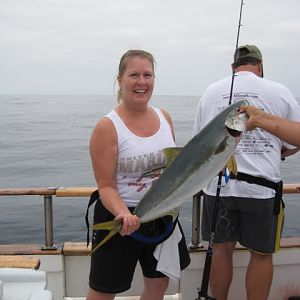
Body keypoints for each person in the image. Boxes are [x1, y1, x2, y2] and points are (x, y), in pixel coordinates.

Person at [193, 44, 300, 300]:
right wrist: (278, 154)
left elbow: (199, 143)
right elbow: (294, 140)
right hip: (261, 191)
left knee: (220, 250)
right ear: (260, 67)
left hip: (219, 187)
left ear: (233, 67)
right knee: (261, 255)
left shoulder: (210, 92)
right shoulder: (280, 91)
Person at [86, 49, 190, 300]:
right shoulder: (107, 127)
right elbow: (106, 186)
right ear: (120, 79)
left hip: (162, 214)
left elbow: (172, 172)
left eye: (148, 75)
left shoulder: (164, 117)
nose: (142, 82)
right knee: (103, 291)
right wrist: (123, 213)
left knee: (159, 284)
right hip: (121, 217)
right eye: (134, 75)